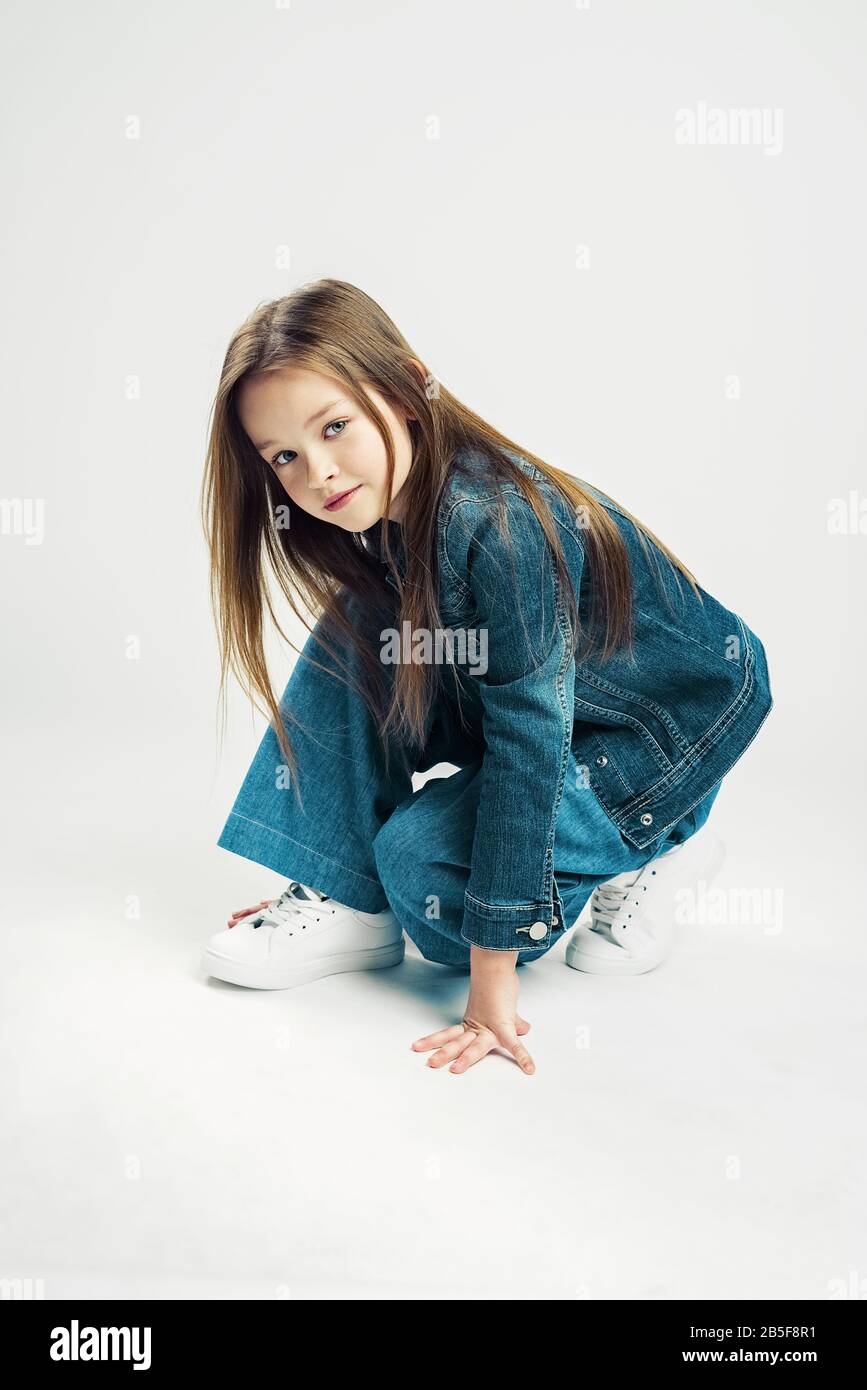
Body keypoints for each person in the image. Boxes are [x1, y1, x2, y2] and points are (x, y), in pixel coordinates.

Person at [199, 278, 773, 1077]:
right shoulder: (395, 517)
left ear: (402, 390)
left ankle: (665, 842)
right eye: (286, 457)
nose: (318, 472)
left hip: (660, 728)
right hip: (564, 702)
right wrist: (332, 860)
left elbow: (529, 739)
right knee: (359, 624)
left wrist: (488, 981)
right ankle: (345, 895)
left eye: (335, 427)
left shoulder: (500, 527)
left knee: (427, 885)